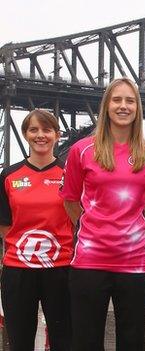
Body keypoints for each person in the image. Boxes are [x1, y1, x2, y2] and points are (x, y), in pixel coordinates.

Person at [59, 77, 145, 350]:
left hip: (134, 261)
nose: (123, 106)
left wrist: (126, 228)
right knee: (86, 340)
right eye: (117, 100)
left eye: (130, 101)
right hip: (89, 261)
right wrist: (92, 227)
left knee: (132, 341)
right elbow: (70, 200)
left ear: (138, 108)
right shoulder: (81, 151)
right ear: (106, 106)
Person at [0, 110, 73, 351]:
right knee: (20, 342)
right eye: (33, 130)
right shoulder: (9, 176)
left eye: (47, 130)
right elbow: (4, 224)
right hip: (18, 271)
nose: (40, 135)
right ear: (25, 134)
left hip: (61, 268)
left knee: (64, 340)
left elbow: (78, 220)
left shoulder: (69, 175)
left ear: (57, 135)